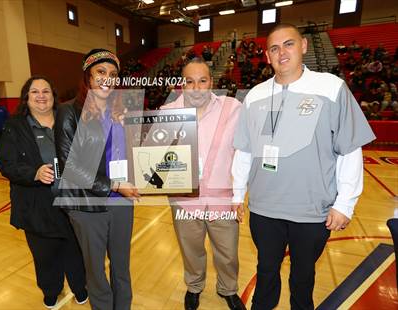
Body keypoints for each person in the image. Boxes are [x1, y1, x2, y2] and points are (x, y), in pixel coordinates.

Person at [231, 24, 375, 310]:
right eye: (274, 48)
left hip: (312, 211)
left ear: (304, 46)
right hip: (264, 209)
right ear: (267, 55)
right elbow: (244, 151)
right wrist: (237, 194)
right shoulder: (254, 95)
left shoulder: (331, 88)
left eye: (289, 44)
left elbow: (349, 149)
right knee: (266, 271)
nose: (281, 52)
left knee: (303, 277)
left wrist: (345, 203)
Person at [54, 48, 139, 310]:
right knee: (96, 273)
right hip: (87, 206)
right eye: (100, 72)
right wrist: (114, 185)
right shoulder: (69, 113)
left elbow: (132, 155)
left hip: (122, 204)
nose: (107, 79)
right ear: (88, 77)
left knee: (122, 267)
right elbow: (71, 165)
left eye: (113, 74)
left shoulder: (121, 112)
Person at [0, 76, 87, 309]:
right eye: (34, 92)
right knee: (44, 253)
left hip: (72, 200)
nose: (41, 96)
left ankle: (80, 286)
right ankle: (51, 289)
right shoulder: (15, 125)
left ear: (53, 95)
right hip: (36, 203)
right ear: (26, 97)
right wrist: (33, 173)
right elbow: (5, 162)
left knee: (75, 249)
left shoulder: (68, 118)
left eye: (46, 91)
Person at [161, 58, 246, 310]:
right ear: (181, 84)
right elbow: (156, 156)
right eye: (189, 81)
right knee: (191, 250)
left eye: (202, 80)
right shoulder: (166, 113)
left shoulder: (233, 108)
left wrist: (241, 193)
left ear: (212, 81)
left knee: (228, 251)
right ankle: (194, 287)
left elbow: (244, 151)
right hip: (185, 200)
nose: (196, 87)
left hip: (223, 198)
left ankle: (228, 289)